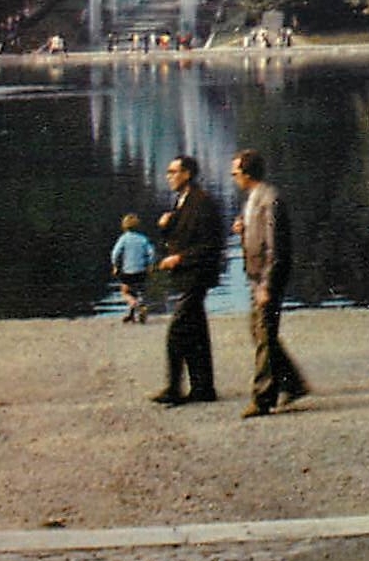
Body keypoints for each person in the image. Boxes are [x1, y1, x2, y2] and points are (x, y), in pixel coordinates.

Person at [231, 148, 308, 418]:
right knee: (259, 331)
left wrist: (267, 284)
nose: (233, 177)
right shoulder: (253, 199)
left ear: (248, 173)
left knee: (264, 334)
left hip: (267, 279)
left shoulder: (269, 199)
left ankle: (263, 397)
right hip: (256, 277)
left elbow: (276, 247)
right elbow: (259, 238)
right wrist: (244, 231)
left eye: (236, 172)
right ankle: (293, 382)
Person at [152, 155, 223, 405]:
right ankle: (203, 388)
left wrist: (178, 259)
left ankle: (173, 387)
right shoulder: (181, 202)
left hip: (197, 275)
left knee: (177, 331)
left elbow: (211, 245)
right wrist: (165, 227)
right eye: (168, 172)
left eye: (173, 171)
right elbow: (181, 236)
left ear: (188, 174)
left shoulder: (202, 202)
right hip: (187, 277)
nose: (169, 176)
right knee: (196, 333)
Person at [110, 212, 155, 323]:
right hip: (141, 270)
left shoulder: (124, 239)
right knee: (136, 291)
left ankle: (137, 306)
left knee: (125, 292)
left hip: (128, 270)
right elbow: (152, 252)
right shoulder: (143, 239)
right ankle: (131, 315)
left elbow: (115, 253)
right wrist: (150, 264)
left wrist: (115, 265)